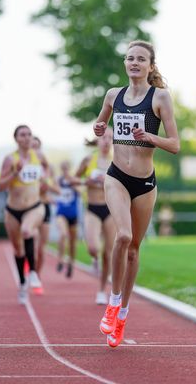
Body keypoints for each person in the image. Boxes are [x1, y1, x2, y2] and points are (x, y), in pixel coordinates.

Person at [94, 40, 179, 348]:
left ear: (150, 66)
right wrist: (99, 127)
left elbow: (175, 144)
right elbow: (101, 121)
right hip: (116, 176)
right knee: (122, 237)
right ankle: (113, 302)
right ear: (125, 63)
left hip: (144, 183)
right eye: (130, 58)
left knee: (133, 250)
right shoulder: (113, 95)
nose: (134, 63)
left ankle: (123, 315)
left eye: (140, 59)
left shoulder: (161, 98)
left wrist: (149, 137)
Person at [0, 125, 48, 304]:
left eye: (29, 134)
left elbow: (46, 169)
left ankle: (33, 272)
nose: (26, 138)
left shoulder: (38, 156)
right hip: (12, 210)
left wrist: (45, 181)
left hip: (34, 206)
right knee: (18, 249)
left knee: (27, 231)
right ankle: (23, 283)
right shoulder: (10, 159)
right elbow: (0, 186)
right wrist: (15, 173)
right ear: (16, 139)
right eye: (22, 135)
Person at [75, 128, 116, 305]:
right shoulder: (88, 160)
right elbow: (74, 179)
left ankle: (101, 290)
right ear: (97, 141)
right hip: (92, 208)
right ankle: (94, 258)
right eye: (103, 137)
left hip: (112, 209)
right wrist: (86, 182)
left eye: (110, 138)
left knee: (108, 252)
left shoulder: (118, 160)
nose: (106, 141)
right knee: (93, 247)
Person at [32, 136, 60, 294]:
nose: (35, 150)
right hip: (31, 207)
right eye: (32, 147)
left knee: (41, 249)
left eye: (37, 147)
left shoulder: (49, 169)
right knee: (33, 239)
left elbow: (57, 190)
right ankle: (29, 267)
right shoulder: (26, 167)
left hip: (45, 207)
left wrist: (47, 186)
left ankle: (37, 275)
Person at [55, 160, 81, 279]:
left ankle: (71, 263)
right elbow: (53, 189)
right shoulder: (58, 181)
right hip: (61, 213)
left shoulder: (74, 180)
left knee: (72, 243)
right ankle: (60, 259)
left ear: (69, 169)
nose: (65, 171)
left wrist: (74, 185)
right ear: (61, 169)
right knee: (63, 234)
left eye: (67, 168)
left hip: (73, 214)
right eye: (63, 168)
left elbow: (81, 192)